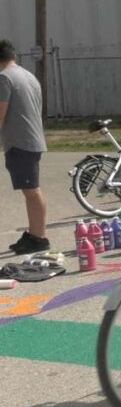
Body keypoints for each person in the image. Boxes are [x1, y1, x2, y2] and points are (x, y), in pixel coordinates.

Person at [0, 40, 50, 254]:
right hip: (32, 138)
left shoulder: (4, 78)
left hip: (21, 141)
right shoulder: (28, 75)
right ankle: (34, 234)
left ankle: (39, 238)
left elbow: (0, 112)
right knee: (30, 190)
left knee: (31, 190)